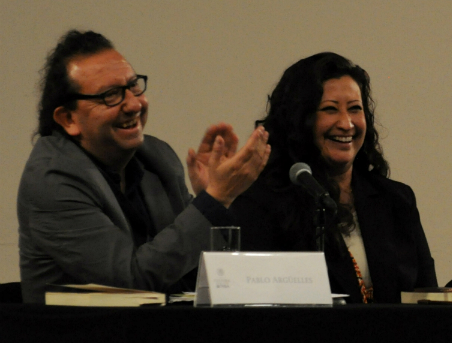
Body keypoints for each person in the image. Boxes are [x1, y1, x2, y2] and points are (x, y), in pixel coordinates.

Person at [18, 30, 270, 303]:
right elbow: (129, 283)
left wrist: (209, 200)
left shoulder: (156, 158)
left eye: (133, 86)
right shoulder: (52, 180)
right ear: (68, 119)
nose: (134, 104)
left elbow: (190, 276)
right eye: (111, 95)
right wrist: (214, 201)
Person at [230, 52, 436, 304]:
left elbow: (428, 298)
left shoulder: (396, 199)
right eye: (330, 109)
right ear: (299, 120)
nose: (346, 124)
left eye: (354, 109)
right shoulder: (260, 203)